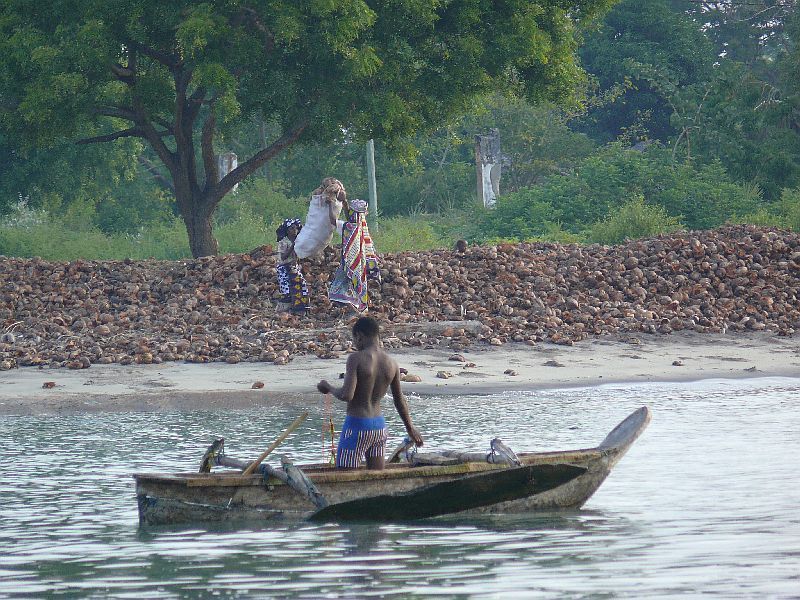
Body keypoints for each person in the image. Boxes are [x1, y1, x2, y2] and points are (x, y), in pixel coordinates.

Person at [317, 316, 423, 470]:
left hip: (357, 426)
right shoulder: (392, 364)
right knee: (377, 477)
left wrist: (328, 387)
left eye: (354, 339)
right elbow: (399, 400)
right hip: (379, 428)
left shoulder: (356, 359)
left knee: (345, 477)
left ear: (359, 336)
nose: (354, 344)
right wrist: (410, 428)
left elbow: (347, 395)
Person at [327, 198, 381, 313]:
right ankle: (358, 310)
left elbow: (332, 220)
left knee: (337, 290)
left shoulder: (348, 227)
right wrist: (345, 202)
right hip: (359, 265)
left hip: (348, 265)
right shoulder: (361, 228)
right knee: (354, 288)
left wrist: (330, 205)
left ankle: (355, 312)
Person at [275, 218, 310, 314]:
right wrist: (293, 246)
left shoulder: (297, 241)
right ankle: (284, 311)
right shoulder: (284, 242)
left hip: (293, 267)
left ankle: (300, 309)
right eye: (291, 228)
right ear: (287, 231)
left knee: (301, 286)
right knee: (286, 290)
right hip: (283, 268)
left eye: (295, 228)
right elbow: (283, 257)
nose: (294, 230)